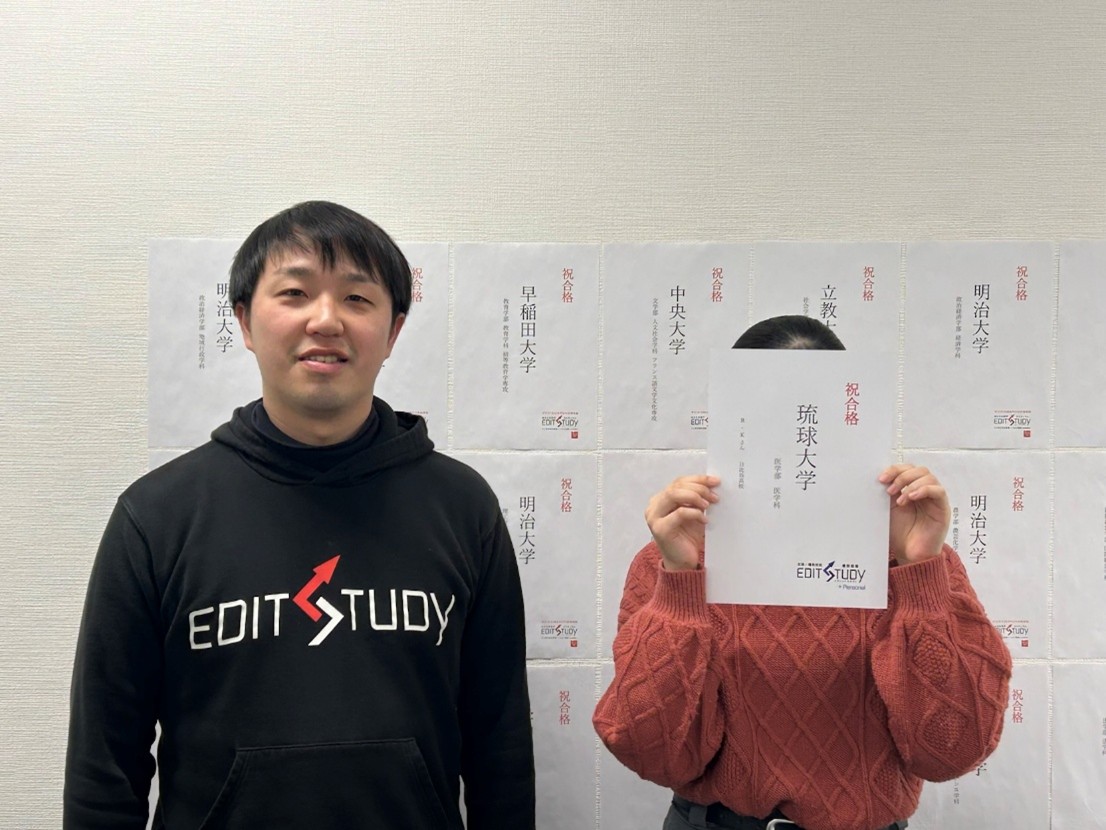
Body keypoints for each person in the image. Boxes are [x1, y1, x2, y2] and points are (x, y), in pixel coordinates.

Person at [64, 201, 535, 829]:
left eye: (357, 299)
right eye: (295, 293)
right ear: (244, 320)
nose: (326, 320)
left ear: (393, 332)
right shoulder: (157, 516)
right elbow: (104, 766)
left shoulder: (462, 507)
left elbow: (501, 747)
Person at [594, 315, 1012, 830]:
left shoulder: (911, 563)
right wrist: (680, 581)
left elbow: (955, 749)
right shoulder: (674, 559)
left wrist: (920, 570)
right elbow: (649, 751)